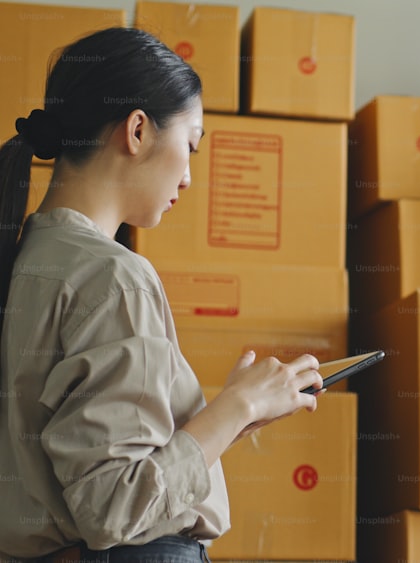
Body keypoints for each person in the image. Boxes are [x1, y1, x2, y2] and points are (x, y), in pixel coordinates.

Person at [0, 27, 326, 562]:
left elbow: (76, 472)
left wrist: (232, 417)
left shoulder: (25, 262)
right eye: (191, 145)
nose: (190, 178)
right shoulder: (113, 278)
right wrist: (237, 405)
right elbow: (112, 508)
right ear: (137, 130)